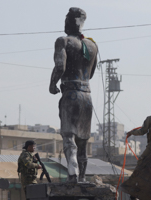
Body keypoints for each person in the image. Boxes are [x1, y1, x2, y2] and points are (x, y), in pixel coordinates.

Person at [49, 7, 98, 183]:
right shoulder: (92, 45)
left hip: (71, 94)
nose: (65, 21)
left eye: (67, 18)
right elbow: (91, 73)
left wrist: (52, 83)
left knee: (69, 136)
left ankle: (73, 172)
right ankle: (83, 177)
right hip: (87, 96)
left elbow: (60, 66)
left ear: (72, 21)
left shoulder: (63, 41)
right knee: (83, 140)